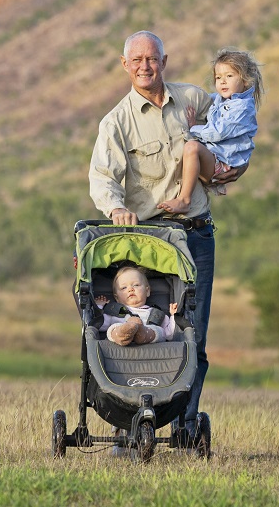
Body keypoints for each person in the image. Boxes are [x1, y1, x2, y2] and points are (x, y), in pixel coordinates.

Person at [88, 30, 245, 434]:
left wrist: (236, 168)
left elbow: (237, 127)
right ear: (125, 65)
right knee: (149, 334)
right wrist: (117, 207)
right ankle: (133, 425)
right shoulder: (116, 122)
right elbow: (103, 176)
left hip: (196, 234)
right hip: (149, 244)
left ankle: (187, 426)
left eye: (152, 59)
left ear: (164, 60)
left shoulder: (193, 100)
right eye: (136, 60)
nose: (145, 66)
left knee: (195, 336)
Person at [156, 48, 263, 215]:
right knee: (191, 148)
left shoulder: (241, 108)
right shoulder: (221, 99)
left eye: (229, 76)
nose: (222, 82)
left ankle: (184, 200)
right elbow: (206, 99)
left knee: (192, 147)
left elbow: (218, 132)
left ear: (245, 80)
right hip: (217, 158)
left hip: (223, 163)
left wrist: (193, 128)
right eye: (218, 77)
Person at [93, 265, 179, 345]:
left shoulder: (156, 313)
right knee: (113, 328)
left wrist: (173, 316)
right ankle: (122, 333)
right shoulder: (114, 311)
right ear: (117, 298)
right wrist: (100, 306)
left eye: (136, 285)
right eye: (124, 288)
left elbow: (169, 334)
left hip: (149, 342)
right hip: (119, 343)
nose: (130, 289)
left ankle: (143, 333)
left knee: (159, 331)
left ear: (147, 291)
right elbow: (100, 326)